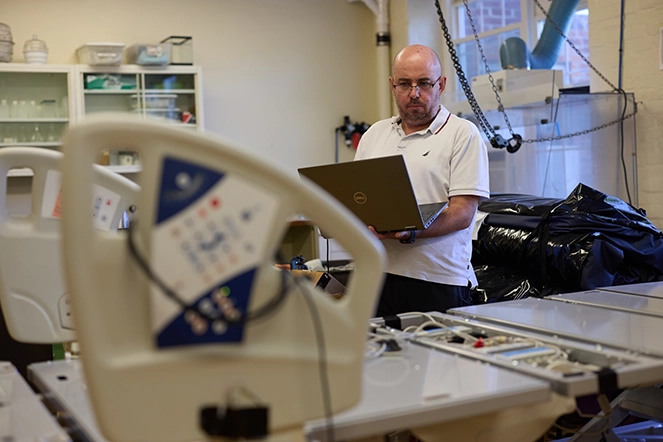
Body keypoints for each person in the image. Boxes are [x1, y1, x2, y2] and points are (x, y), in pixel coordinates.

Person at [354, 44, 490, 317]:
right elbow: (360, 198)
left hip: (438, 281)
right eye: (404, 84)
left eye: (424, 83)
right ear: (393, 85)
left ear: (441, 84)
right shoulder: (375, 134)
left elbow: (463, 212)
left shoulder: (463, 134)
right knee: (380, 358)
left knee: (440, 359)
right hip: (377, 276)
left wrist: (411, 231)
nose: (414, 93)